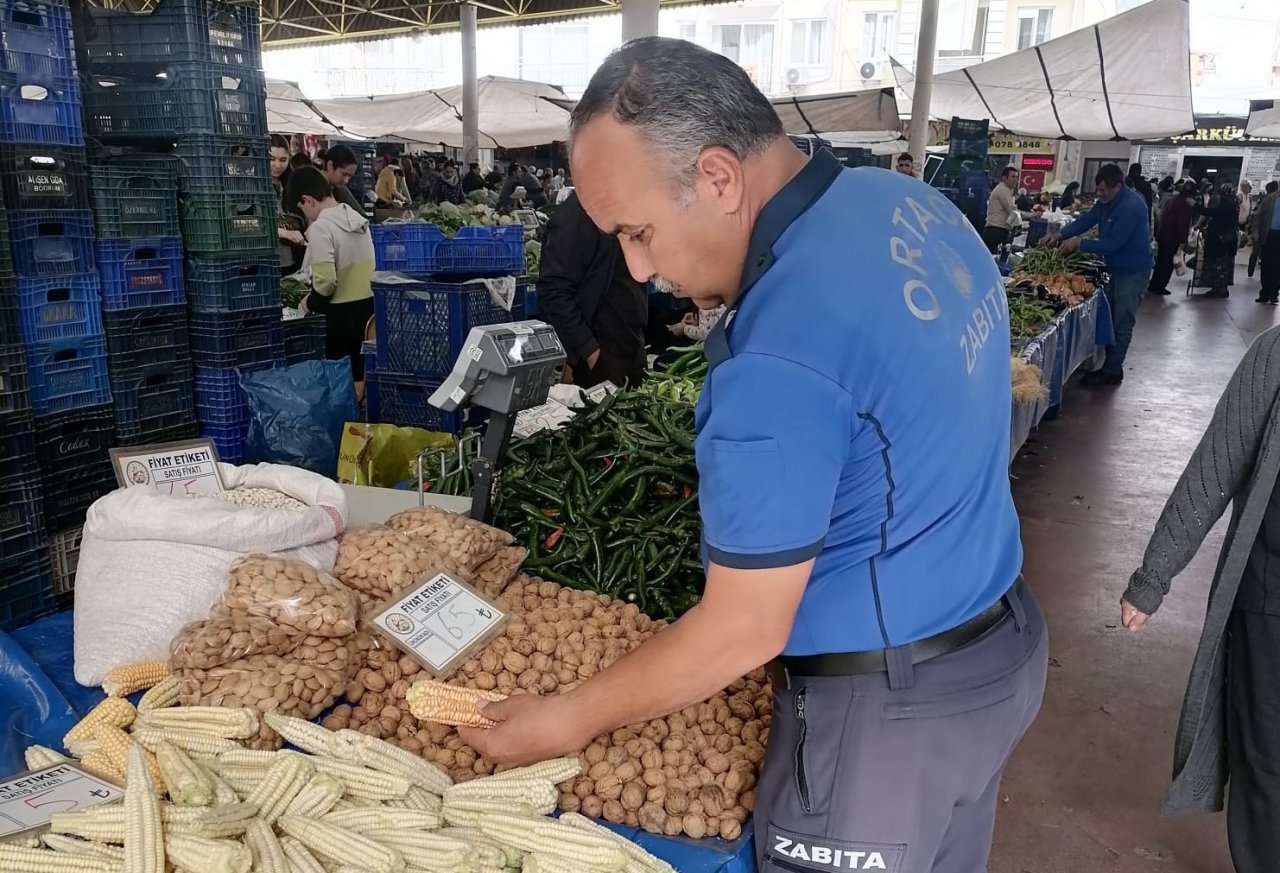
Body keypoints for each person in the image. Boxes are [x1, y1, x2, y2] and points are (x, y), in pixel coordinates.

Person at [458, 37, 1048, 873]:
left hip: (885, 713)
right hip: (997, 649)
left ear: (719, 178)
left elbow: (743, 628)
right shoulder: (902, 204)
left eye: (639, 231)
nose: (639, 268)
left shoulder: (776, 350)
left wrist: (564, 718)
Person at [1121, 325, 1280, 873]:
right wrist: (1154, 576)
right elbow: (1216, 464)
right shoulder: (1277, 356)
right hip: (1272, 602)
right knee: (1269, 758)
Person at [1043, 163, 1153, 387]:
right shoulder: (1106, 203)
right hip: (1115, 269)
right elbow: (1086, 220)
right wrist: (1060, 235)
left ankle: (1112, 372)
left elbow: (1113, 244)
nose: (1099, 194)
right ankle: (1112, 366)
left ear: (1118, 187)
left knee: (1122, 321)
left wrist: (1080, 243)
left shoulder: (1131, 207)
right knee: (1112, 318)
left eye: (1103, 190)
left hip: (1132, 272)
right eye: (1098, 189)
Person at [536, 191, 648, 389]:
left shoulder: (622, 205)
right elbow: (553, 289)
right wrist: (589, 350)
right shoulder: (578, 213)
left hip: (631, 341)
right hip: (602, 353)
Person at [283, 166, 376, 381]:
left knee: (341, 379)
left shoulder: (321, 227)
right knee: (360, 375)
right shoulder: (354, 217)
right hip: (367, 311)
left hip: (341, 317)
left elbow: (325, 283)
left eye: (301, 208)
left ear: (308, 200)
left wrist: (306, 305)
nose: (305, 215)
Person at [1148, 180, 1196, 296]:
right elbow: (1182, 223)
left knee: (1161, 262)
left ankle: (1154, 285)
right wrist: (1183, 240)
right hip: (1172, 237)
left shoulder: (1174, 199)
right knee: (1168, 263)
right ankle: (1160, 286)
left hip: (1163, 235)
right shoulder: (1185, 204)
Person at [271, 134, 306, 276]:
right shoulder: (251, 185)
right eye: (271, 159)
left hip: (293, 260)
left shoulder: (293, 184)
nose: (277, 165)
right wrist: (284, 233)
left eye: (283, 160)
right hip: (266, 260)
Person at [1198, 182, 1239, 299]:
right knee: (1223, 265)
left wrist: (1197, 207)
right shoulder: (1233, 203)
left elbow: (1213, 213)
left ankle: (1220, 289)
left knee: (1219, 264)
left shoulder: (1226, 205)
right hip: (1228, 241)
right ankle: (1218, 288)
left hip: (1221, 241)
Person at [983, 166, 1023, 253]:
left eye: (1017, 177)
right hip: (995, 230)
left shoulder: (1007, 191)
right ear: (1004, 178)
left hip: (1000, 230)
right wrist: (1031, 215)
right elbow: (1012, 211)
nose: (1015, 180)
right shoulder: (1002, 189)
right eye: (1013, 177)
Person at [316, 145, 365, 215]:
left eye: (350, 176)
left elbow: (360, 214)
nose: (346, 180)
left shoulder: (339, 189)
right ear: (330, 165)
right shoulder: (313, 186)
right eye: (344, 174)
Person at [1253, 181, 1280, 304]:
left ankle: (1274, 293)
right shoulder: (1269, 198)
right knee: (1266, 265)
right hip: (1268, 235)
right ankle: (1264, 292)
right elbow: (1258, 216)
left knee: (1278, 266)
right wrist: (1255, 232)